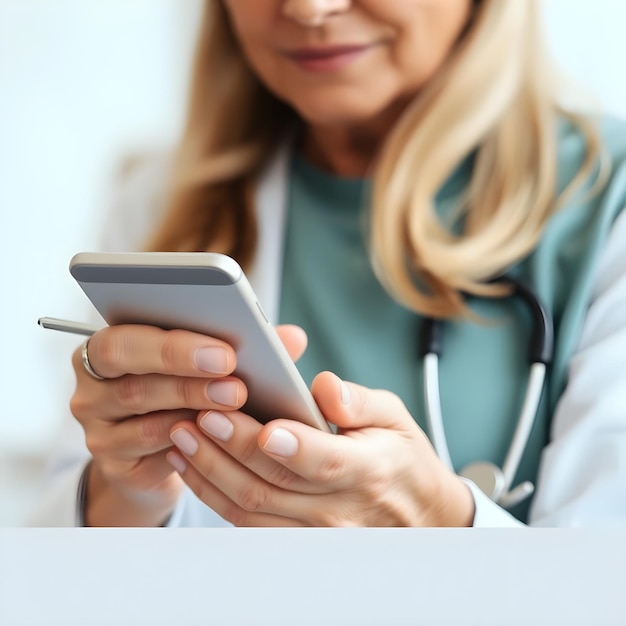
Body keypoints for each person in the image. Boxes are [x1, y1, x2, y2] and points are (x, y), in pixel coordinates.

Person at [31, 0, 626, 528]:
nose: (312, 10)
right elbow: (55, 572)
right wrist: (123, 493)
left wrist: (445, 528)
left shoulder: (608, 197)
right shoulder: (164, 203)